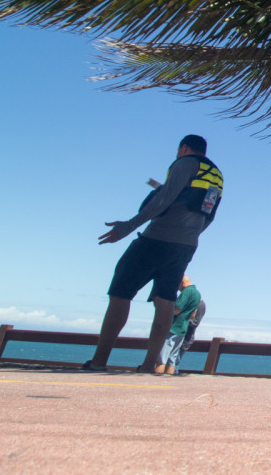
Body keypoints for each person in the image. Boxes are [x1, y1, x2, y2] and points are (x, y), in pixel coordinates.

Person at [82, 135, 223, 373]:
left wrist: (128, 226)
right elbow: (208, 214)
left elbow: (163, 200)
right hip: (186, 245)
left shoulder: (184, 163)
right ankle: (149, 364)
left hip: (156, 238)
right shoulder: (217, 176)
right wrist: (190, 236)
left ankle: (99, 361)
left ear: (184, 148)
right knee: (165, 299)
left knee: (120, 293)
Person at [155, 275, 203, 375]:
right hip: (183, 328)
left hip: (174, 326)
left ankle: (154, 379)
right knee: (172, 359)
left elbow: (177, 309)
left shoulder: (187, 292)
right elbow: (193, 314)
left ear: (181, 281)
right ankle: (168, 379)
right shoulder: (197, 294)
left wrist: (164, 312)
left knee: (161, 358)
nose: (177, 288)